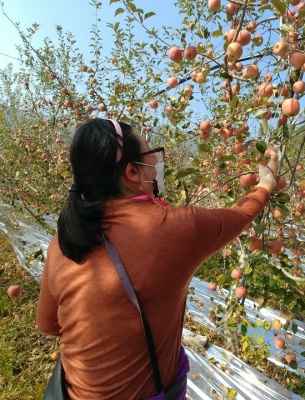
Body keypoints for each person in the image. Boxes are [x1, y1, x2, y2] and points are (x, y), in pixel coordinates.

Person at [36, 118, 279, 400]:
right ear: (132, 171)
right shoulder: (175, 228)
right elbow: (241, 214)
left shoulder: (63, 240)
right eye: (151, 155)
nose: (158, 163)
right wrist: (266, 181)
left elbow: (48, 324)